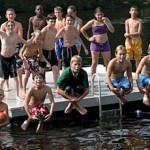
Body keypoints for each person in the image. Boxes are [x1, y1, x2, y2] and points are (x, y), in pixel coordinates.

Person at [0, 20, 31, 101]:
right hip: (3, 59)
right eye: (9, 25)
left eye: (12, 26)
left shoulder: (17, 36)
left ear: (14, 27)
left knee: (15, 78)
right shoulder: (3, 34)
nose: (10, 27)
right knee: (3, 79)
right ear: (6, 27)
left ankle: (17, 96)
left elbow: (27, 43)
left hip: (12, 58)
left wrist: (34, 37)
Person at [81, 7, 114, 77]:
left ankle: (109, 79)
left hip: (105, 44)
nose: (100, 16)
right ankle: (92, 79)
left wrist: (107, 23)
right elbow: (82, 29)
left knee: (107, 62)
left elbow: (112, 30)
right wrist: (88, 38)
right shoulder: (92, 22)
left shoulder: (106, 20)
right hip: (95, 44)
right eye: (98, 15)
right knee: (94, 62)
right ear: (95, 15)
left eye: (101, 14)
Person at [19, 30, 50, 97]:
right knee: (27, 74)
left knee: (36, 75)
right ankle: (23, 90)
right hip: (26, 58)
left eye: (40, 39)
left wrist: (47, 62)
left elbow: (41, 54)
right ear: (33, 37)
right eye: (37, 39)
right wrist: (25, 62)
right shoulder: (28, 42)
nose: (39, 40)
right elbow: (20, 53)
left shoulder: (39, 43)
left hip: (34, 57)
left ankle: (36, 89)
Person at [0, 8, 24, 92]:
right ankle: (7, 85)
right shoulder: (3, 25)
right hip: (7, 48)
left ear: (15, 15)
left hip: (17, 46)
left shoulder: (18, 24)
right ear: (6, 16)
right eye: (9, 14)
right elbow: (2, 39)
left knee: (19, 67)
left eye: (12, 14)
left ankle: (20, 84)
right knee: (6, 68)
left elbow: (20, 37)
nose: (10, 16)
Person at [40, 13, 59, 91]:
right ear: (47, 21)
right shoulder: (44, 30)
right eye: (51, 21)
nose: (53, 23)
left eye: (54, 21)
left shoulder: (55, 30)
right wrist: (40, 53)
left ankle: (56, 86)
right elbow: (40, 42)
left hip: (52, 51)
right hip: (44, 51)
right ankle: (42, 84)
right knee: (42, 69)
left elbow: (54, 41)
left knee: (55, 67)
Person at [54, 6, 65, 74]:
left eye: (59, 12)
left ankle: (64, 71)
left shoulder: (64, 20)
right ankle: (57, 72)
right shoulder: (54, 21)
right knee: (58, 57)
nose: (57, 14)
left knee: (64, 56)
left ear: (61, 13)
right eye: (56, 12)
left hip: (63, 39)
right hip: (56, 40)